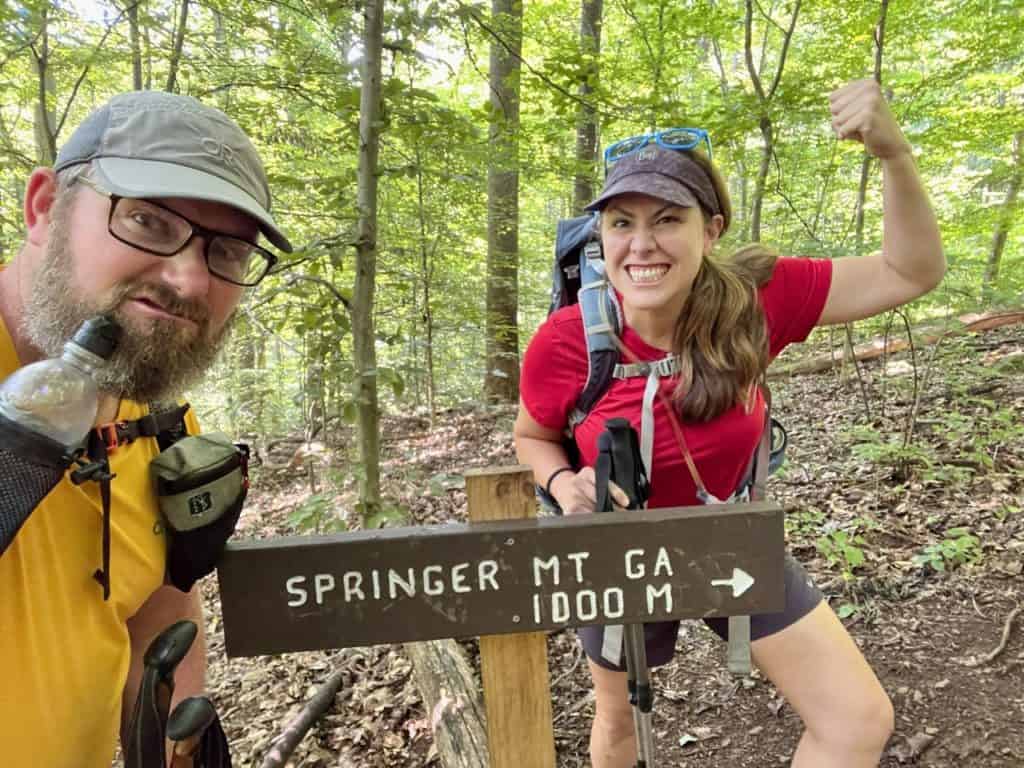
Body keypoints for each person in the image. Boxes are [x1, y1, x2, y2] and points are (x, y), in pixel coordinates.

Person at [514, 79, 945, 768]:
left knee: (857, 720)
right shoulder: (567, 340)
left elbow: (910, 271)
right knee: (620, 724)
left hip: (727, 535)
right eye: (621, 221)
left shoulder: (757, 300)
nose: (642, 244)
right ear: (601, 234)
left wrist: (894, 155)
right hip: (615, 549)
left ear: (710, 229)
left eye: (668, 219)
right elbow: (531, 436)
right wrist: (563, 481)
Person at [0, 90, 292, 767]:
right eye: (149, 221)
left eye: (228, 251)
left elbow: (159, 607)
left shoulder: (153, 418)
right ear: (45, 208)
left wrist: (176, 748)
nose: (190, 279)